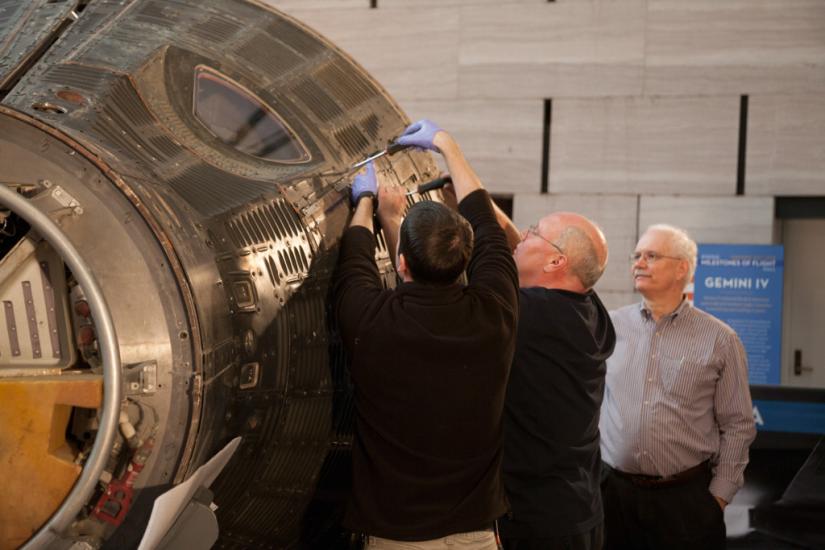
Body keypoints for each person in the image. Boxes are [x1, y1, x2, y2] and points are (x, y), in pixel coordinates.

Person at [333, 119, 519, 549]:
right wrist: (446, 145)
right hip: (475, 533)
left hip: (396, 534)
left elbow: (355, 259)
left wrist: (366, 204)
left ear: (401, 265)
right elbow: (488, 228)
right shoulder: (497, 314)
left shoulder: (372, 321)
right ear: (466, 260)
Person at [599, 224, 757, 550]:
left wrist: (718, 498)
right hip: (613, 497)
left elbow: (738, 425)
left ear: (681, 268)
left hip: (686, 504)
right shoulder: (609, 327)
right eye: (637, 255)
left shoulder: (720, 339)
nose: (638, 263)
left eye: (651, 256)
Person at [490, 209, 616, 550]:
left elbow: (459, 300)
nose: (524, 236)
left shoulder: (534, 313)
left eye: (534, 232)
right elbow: (525, 247)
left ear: (557, 261)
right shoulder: (590, 311)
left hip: (538, 523)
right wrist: (481, 199)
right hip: (580, 510)